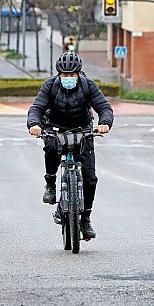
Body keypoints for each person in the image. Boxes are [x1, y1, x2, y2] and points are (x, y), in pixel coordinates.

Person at [27, 52, 113, 239]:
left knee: (90, 178)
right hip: (55, 128)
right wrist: (34, 124)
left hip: (83, 130)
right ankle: (50, 184)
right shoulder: (50, 86)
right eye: (64, 75)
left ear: (79, 74)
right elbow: (37, 108)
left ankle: (86, 219)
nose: (68, 78)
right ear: (59, 75)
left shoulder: (88, 85)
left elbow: (104, 107)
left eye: (72, 75)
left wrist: (105, 122)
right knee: (50, 147)